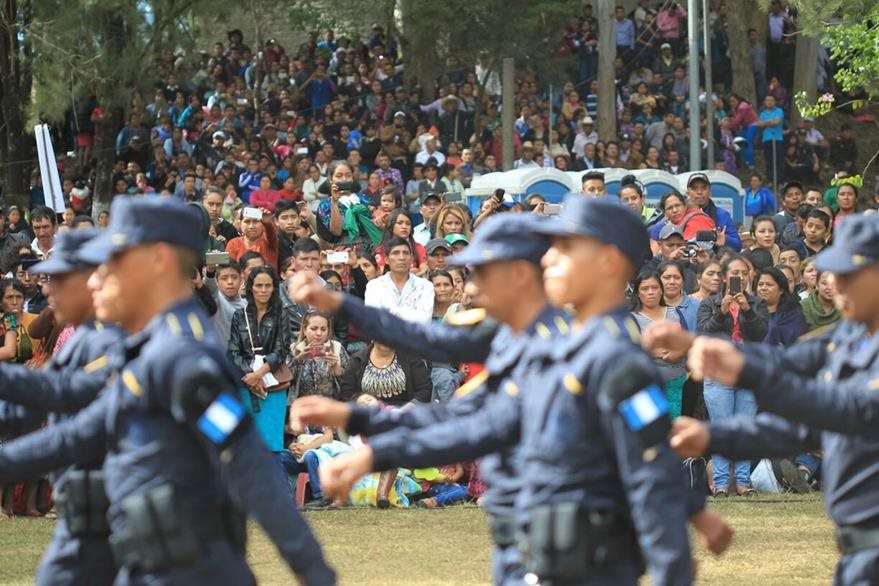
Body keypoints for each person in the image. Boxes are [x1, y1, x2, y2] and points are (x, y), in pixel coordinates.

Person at [313, 199, 727, 585]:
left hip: (590, 559)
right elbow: (481, 418)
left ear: (607, 261)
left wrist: (674, 562)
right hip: (538, 550)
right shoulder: (552, 347)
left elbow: (649, 461)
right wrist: (368, 438)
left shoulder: (614, 358)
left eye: (565, 249)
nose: (547, 259)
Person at [0, 197, 335, 585]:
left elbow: (251, 466)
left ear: (157, 261)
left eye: (116, 262)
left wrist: (314, 572)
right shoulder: (147, 349)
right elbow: (80, 432)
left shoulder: (185, 361)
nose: (96, 278)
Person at [288, 213, 577, 584]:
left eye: (483, 273)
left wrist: (371, 444)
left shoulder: (557, 348)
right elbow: (426, 343)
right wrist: (340, 304)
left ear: (520, 274)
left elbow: (472, 425)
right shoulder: (506, 333)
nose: (471, 288)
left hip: (563, 525)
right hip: (521, 528)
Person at [661, 213, 879, 586]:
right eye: (833, 274)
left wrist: (743, 371)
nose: (835, 284)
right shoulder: (847, 340)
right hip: (859, 551)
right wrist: (713, 438)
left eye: (849, 275)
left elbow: (848, 410)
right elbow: (787, 381)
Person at [0, 229, 122, 584]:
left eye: (58, 279)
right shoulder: (78, 340)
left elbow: (73, 421)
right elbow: (31, 407)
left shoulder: (114, 342)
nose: (47, 289)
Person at [696, 254, 768, 497]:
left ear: (750, 276)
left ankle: (743, 483)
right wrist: (722, 312)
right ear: (725, 276)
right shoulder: (710, 303)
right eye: (734, 273)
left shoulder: (757, 303)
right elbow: (703, 333)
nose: (739, 277)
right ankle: (720, 484)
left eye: (743, 273)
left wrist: (746, 310)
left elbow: (759, 334)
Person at [228, 265, 291, 452]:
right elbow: (233, 350)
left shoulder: (281, 314)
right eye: (259, 285)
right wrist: (250, 376)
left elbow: (281, 349)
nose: (263, 290)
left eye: (268, 285)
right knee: (246, 444)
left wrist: (259, 374)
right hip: (246, 383)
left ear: (274, 288)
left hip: (273, 383)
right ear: (251, 287)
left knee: (271, 445)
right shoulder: (239, 316)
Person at [630, 270, 687, 418]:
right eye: (644, 289)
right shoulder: (631, 319)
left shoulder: (675, 313)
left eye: (654, 288)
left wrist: (678, 353)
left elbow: (686, 341)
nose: (650, 292)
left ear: (661, 290)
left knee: (673, 426)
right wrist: (649, 351)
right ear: (637, 293)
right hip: (644, 384)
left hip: (675, 380)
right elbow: (625, 351)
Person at [364, 237, 434, 323]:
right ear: (386, 260)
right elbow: (373, 320)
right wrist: (411, 314)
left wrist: (388, 312)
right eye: (396, 253)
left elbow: (424, 320)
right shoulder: (374, 286)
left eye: (405, 253)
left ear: (411, 259)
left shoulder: (425, 286)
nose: (401, 257)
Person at [290, 310, 349, 400]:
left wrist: (336, 367)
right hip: (302, 406)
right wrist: (299, 359)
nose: (319, 333)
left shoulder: (336, 347)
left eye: (323, 329)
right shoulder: (295, 349)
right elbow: (286, 381)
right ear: (305, 330)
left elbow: (350, 382)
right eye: (314, 329)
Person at [684, 173, 742, 251]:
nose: (699, 192)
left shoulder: (722, 215)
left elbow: (738, 245)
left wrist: (725, 239)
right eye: (694, 188)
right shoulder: (680, 214)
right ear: (688, 193)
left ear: (710, 192)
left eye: (704, 188)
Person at [756, 267, 808, 346]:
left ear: (781, 290)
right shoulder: (752, 310)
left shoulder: (793, 314)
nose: (763, 288)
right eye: (760, 284)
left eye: (769, 285)